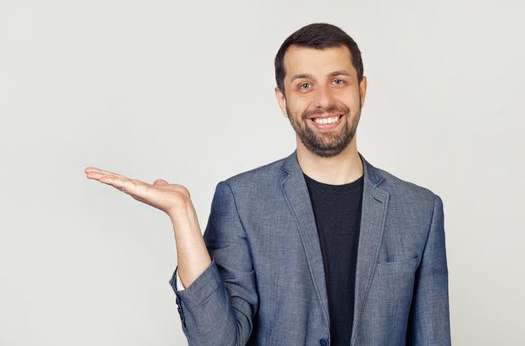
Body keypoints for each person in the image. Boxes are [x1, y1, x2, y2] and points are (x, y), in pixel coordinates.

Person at [85, 23, 451, 346]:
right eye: (304, 85)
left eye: (338, 81)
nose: (324, 100)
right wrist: (181, 215)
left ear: (362, 90)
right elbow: (216, 341)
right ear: (282, 99)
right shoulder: (241, 201)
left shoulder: (420, 209)